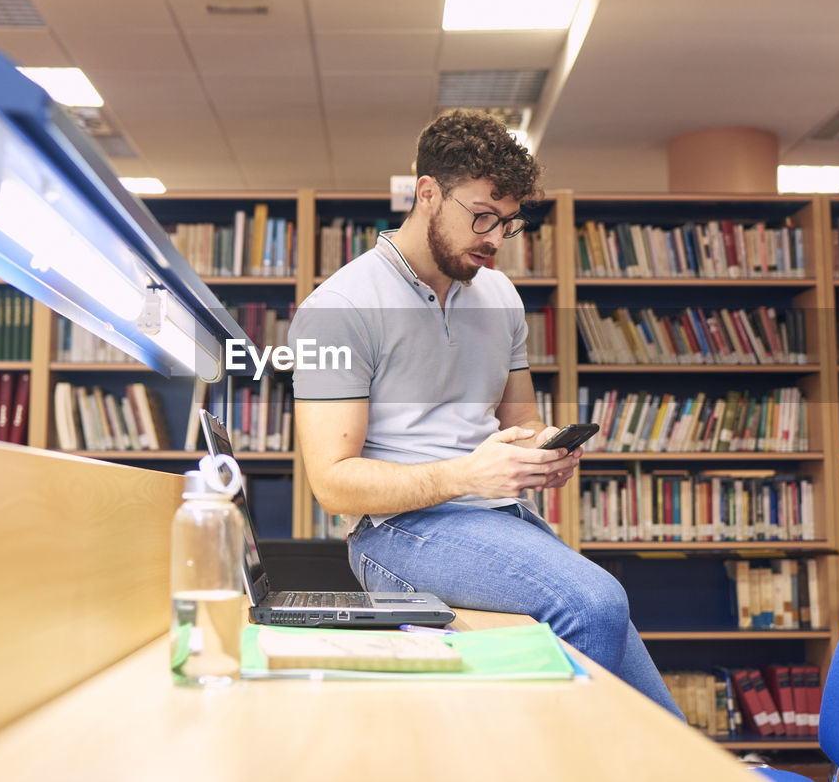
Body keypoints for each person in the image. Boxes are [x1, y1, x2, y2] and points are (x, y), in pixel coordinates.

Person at [288, 109, 682, 718]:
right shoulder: (337, 308)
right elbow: (332, 485)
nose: (495, 239)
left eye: (508, 223)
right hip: (396, 530)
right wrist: (467, 476)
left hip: (501, 519)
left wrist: (541, 453)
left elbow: (518, 423)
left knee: (669, 731)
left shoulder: (499, 294)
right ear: (427, 194)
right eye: (481, 217)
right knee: (592, 605)